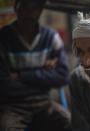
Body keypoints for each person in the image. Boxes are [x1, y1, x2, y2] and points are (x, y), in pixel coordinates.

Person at [0, 0, 72, 131]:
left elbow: (63, 76)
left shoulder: (51, 38)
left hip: (43, 103)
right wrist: (42, 76)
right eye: (25, 8)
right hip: (13, 106)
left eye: (35, 8)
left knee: (71, 122)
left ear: (40, 11)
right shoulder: (3, 38)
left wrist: (21, 76)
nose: (30, 14)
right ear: (17, 9)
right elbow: (3, 85)